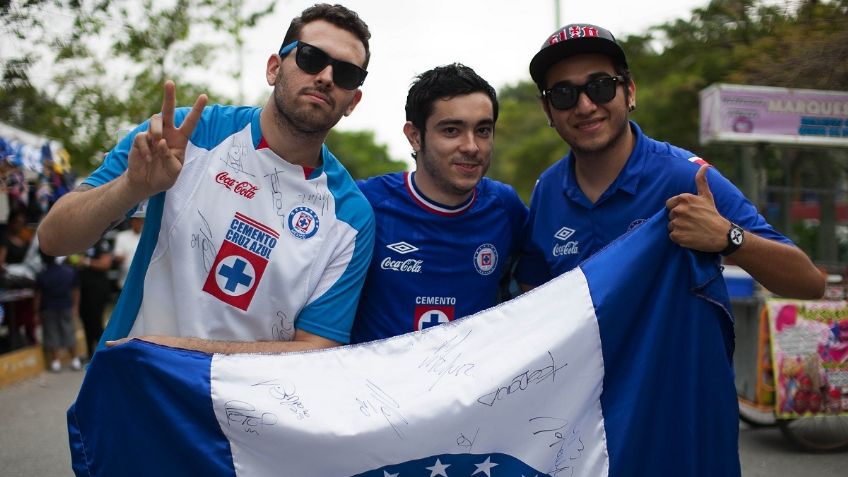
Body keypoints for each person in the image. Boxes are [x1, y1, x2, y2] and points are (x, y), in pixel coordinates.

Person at [37, 3, 375, 354]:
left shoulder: (350, 216)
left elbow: (316, 349)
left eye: (346, 73)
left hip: (245, 408)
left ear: (353, 101)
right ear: (274, 68)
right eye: (310, 57)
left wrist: (178, 351)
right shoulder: (185, 135)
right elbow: (53, 240)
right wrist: (132, 187)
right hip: (132, 394)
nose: (325, 77)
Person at [517, 23, 825, 300]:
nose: (585, 106)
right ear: (548, 110)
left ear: (630, 92)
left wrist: (728, 237)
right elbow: (535, 290)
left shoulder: (688, 177)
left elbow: (809, 283)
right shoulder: (548, 188)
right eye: (563, 94)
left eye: (600, 86)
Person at [350, 63, 528, 343]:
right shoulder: (364, 204)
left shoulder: (505, 207)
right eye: (451, 131)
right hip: (376, 383)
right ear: (415, 136)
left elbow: (539, 290)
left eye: (483, 130)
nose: (471, 146)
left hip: (471, 383)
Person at [34, 252, 83, 372]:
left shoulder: (42, 275)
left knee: (51, 334)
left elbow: (38, 296)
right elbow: (76, 290)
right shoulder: (69, 271)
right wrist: (75, 306)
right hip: (66, 306)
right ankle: (75, 359)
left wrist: (35, 312)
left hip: (48, 308)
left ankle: (55, 362)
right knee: (69, 332)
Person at [75, 234, 113, 360]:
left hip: (97, 289)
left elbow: (105, 263)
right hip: (83, 289)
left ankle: (103, 353)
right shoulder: (82, 242)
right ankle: (90, 353)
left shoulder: (101, 242)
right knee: (86, 321)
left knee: (96, 321)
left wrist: (85, 262)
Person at [112, 214, 144, 290]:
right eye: (136, 220)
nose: (138, 223)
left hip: (142, 280)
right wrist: (118, 258)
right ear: (132, 222)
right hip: (125, 280)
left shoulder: (146, 236)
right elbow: (117, 255)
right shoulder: (122, 236)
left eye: (140, 221)